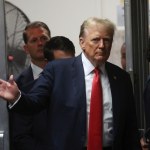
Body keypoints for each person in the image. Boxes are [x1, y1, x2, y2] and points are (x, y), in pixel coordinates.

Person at [0, 17, 141, 150]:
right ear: (82, 42)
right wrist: (16, 97)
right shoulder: (59, 70)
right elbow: (35, 102)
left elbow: (130, 128)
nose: (102, 46)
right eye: (96, 40)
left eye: (107, 40)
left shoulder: (121, 78)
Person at [9, 21, 51, 150]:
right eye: (34, 40)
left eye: (44, 38)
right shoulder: (18, 86)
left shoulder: (67, 76)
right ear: (26, 49)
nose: (40, 43)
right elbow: (20, 135)